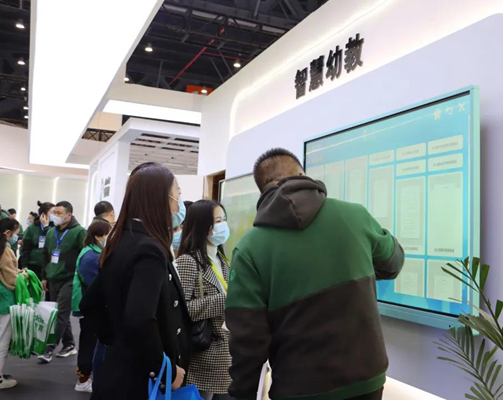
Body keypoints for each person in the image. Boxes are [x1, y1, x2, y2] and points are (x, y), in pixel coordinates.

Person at [225, 149, 405, 400]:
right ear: (302, 175)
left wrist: (241, 394)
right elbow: (393, 263)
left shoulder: (248, 249)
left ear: (262, 189)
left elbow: (248, 340)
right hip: (366, 381)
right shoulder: (355, 215)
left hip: (298, 388)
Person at [80, 162, 191, 400]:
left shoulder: (122, 239)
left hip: (117, 371)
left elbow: (90, 303)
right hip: (139, 381)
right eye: (178, 195)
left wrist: (115, 339)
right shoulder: (149, 249)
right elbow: (140, 317)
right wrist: (165, 371)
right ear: (160, 199)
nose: (180, 204)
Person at [176, 200, 232, 400]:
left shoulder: (222, 260)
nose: (223, 225)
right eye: (218, 221)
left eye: (224, 219)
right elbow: (181, 309)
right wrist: (224, 300)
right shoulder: (188, 261)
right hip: (203, 355)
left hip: (227, 353)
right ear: (203, 226)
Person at [39, 201, 86, 364]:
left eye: (59, 213)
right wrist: (44, 276)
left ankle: (48, 349)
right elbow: (45, 255)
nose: (55, 216)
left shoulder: (79, 232)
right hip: (53, 277)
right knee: (59, 313)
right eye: (54, 212)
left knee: (59, 314)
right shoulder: (51, 232)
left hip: (70, 278)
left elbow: (84, 254)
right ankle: (69, 344)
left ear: (69, 215)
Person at [72, 219, 111, 393]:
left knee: (92, 341)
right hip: (90, 307)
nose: (109, 237)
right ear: (98, 236)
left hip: (92, 305)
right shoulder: (90, 257)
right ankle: (83, 379)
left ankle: (87, 375)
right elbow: (96, 284)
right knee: (89, 342)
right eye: (107, 234)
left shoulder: (94, 252)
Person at [0, 218, 26, 390]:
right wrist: (23, 276)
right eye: (16, 234)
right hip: (4, 299)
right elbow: (10, 279)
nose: (17, 237)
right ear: (8, 233)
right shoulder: (6, 250)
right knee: (2, 340)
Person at [19, 202, 55, 278]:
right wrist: (24, 266)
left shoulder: (55, 227)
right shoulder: (32, 228)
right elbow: (25, 249)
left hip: (49, 265)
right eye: (52, 212)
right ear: (43, 214)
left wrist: (46, 227)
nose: (54, 215)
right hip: (33, 264)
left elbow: (53, 242)